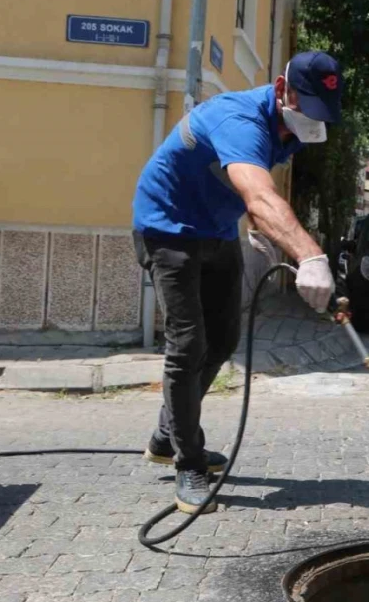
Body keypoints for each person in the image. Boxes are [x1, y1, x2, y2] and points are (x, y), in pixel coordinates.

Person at [131, 51, 343, 514]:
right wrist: (309, 255)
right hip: (167, 229)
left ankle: (168, 436)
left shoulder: (290, 129)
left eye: (322, 111)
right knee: (188, 345)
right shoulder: (238, 117)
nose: (312, 119)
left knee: (224, 339)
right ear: (283, 87)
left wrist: (255, 223)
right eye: (306, 105)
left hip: (217, 232)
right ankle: (188, 463)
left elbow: (246, 180)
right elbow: (259, 190)